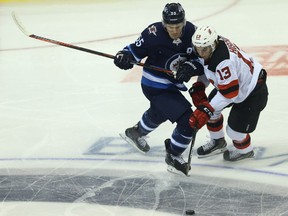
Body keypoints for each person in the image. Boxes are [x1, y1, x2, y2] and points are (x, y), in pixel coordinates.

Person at [113, 3, 203, 175]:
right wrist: (124, 57)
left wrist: (191, 66)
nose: (175, 31)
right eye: (170, 27)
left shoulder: (192, 32)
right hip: (154, 85)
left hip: (171, 85)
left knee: (161, 111)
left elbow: (201, 59)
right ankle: (173, 156)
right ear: (164, 24)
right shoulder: (152, 33)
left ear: (184, 23)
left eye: (178, 26)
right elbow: (133, 51)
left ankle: (136, 132)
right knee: (188, 121)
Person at [188, 25, 268, 161]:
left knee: (234, 131)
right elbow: (208, 68)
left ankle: (245, 151)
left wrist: (206, 108)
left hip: (252, 92)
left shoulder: (223, 61)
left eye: (204, 50)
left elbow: (230, 93)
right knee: (211, 112)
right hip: (235, 85)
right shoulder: (211, 46)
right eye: (198, 49)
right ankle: (218, 142)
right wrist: (200, 84)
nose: (201, 53)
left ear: (212, 45)